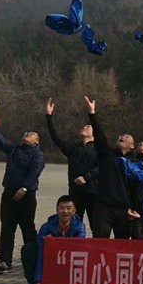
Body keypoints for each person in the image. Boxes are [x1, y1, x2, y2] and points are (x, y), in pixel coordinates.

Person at [0, 112, 45, 275]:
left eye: (31, 134)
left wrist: (24, 188)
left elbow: (35, 172)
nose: (27, 134)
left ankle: (33, 260)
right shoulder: (14, 150)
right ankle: (5, 262)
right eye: (26, 133)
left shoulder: (38, 155)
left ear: (36, 141)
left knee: (27, 229)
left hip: (27, 196)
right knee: (7, 228)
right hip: (9, 194)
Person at [83, 96, 138, 239]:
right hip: (103, 206)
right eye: (121, 136)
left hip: (124, 209)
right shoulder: (107, 154)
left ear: (132, 146)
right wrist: (92, 114)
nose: (122, 137)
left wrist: (135, 208)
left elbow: (136, 189)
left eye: (127, 137)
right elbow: (100, 136)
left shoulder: (135, 163)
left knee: (122, 243)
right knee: (100, 242)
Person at [14, 195, 85, 284]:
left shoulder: (79, 227)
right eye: (62, 208)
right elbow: (40, 254)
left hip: (67, 263)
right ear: (57, 210)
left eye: (69, 208)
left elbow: (77, 250)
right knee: (29, 249)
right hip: (50, 260)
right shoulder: (46, 227)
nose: (65, 211)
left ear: (74, 211)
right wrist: (37, 282)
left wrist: (55, 242)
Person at [45, 98, 98, 231]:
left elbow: (101, 167)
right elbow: (56, 139)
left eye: (88, 127)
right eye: (83, 127)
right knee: (73, 225)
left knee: (97, 226)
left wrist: (86, 177)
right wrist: (49, 117)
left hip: (93, 192)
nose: (84, 127)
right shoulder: (73, 148)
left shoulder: (99, 148)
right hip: (75, 192)